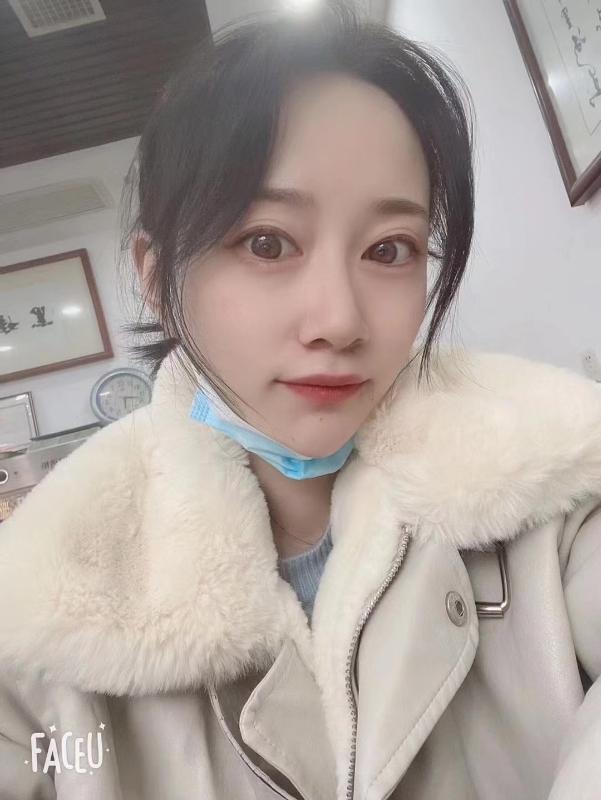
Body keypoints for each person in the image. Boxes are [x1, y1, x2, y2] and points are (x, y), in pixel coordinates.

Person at [1, 3, 600, 799]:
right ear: (157, 280)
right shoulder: (40, 605)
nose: (339, 320)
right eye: (267, 243)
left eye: (388, 249)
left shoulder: (552, 476)